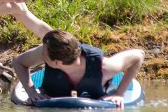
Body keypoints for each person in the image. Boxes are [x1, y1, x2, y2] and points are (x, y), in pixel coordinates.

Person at [12, 30, 145, 107]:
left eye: (44, 55)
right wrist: (32, 93)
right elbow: (19, 62)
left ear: (57, 63)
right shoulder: (46, 51)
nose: (41, 54)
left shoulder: (104, 68)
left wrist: (119, 94)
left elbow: (139, 55)